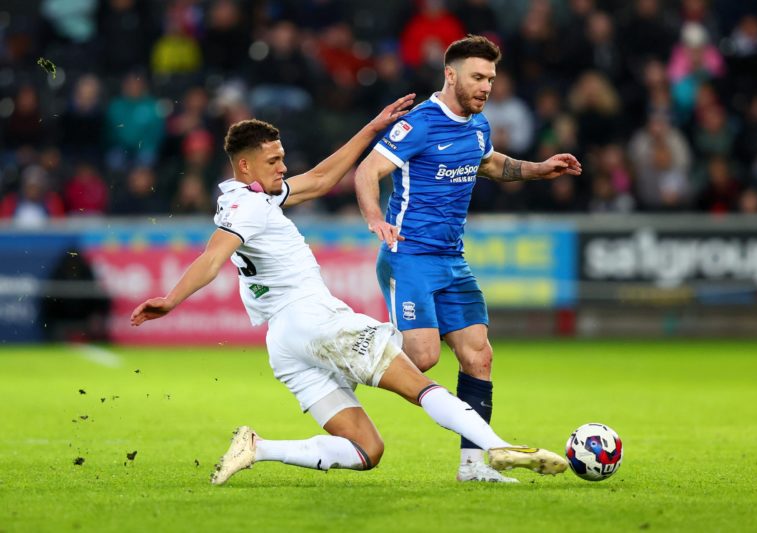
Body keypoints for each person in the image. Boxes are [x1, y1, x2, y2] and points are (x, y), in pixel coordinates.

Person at [129, 95, 567, 485]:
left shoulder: (252, 197)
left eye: (282, 158)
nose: (283, 167)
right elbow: (212, 258)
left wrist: (373, 127)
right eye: (274, 161)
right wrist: (171, 300)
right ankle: (497, 446)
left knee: (366, 451)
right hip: (315, 322)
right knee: (419, 382)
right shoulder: (247, 209)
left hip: (284, 344)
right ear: (245, 166)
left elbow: (320, 179)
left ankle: (258, 448)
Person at [354, 35, 581, 482]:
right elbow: (367, 171)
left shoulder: (478, 125)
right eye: (478, 77)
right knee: (421, 357)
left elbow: (490, 163)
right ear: (451, 75)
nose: (486, 87)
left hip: (452, 260)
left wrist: (537, 169)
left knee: (479, 357)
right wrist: (375, 218)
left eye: (492, 79)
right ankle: (347, 352)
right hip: (410, 255)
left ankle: (474, 467)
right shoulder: (419, 123)